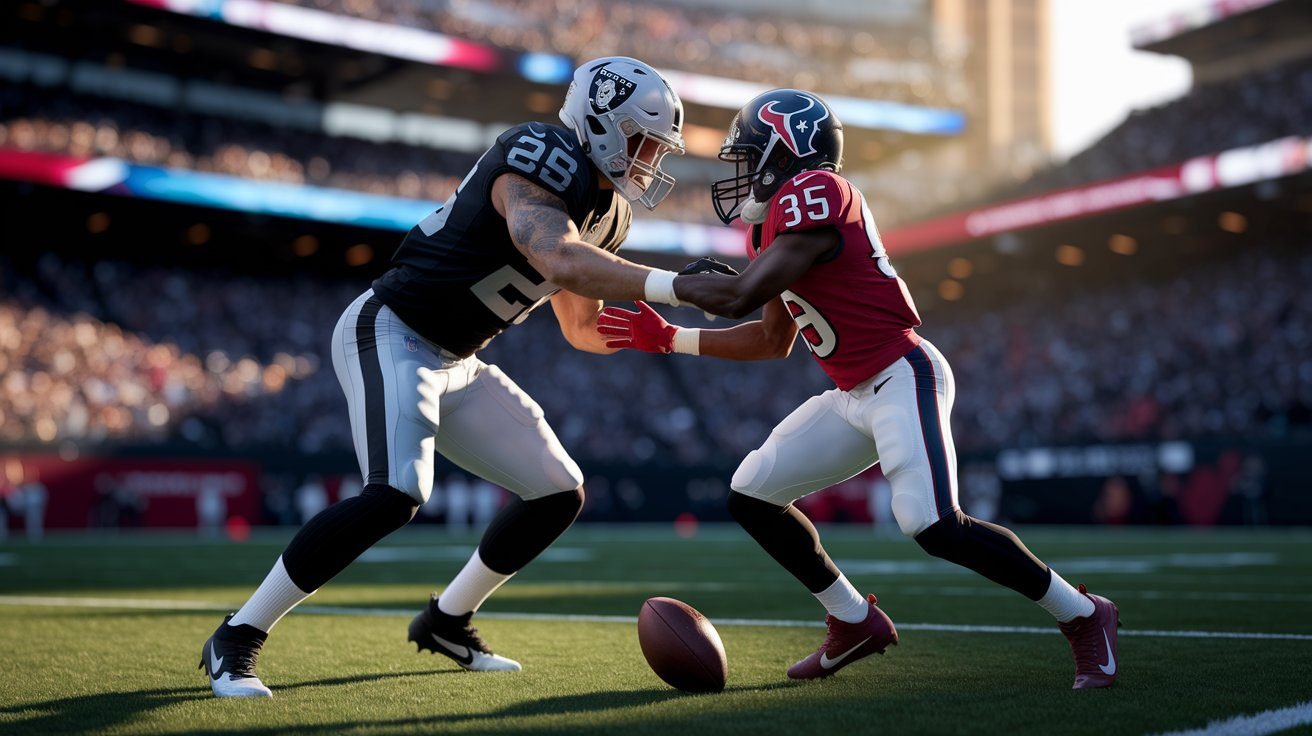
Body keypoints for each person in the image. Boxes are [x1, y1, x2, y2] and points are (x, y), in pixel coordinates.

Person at [200, 56, 734, 698]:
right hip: (394, 328)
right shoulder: (541, 152)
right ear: (600, 122)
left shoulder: (612, 212)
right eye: (642, 142)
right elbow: (555, 256)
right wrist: (675, 285)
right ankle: (237, 635)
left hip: (458, 359)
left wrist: (656, 333)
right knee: (395, 493)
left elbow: (579, 326)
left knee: (558, 491)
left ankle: (446, 620)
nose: (649, 160)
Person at [597, 89, 1120, 689]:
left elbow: (738, 296)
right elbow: (770, 339)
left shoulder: (817, 191)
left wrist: (650, 285)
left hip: (902, 373)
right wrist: (672, 339)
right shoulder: (770, 228)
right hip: (852, 395)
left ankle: (1083, 614)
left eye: (748, 154)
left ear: (783, 150)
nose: (739, 170)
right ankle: (853, 620)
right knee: (751, 495)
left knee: (932, 523)